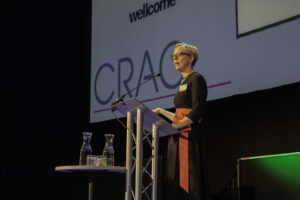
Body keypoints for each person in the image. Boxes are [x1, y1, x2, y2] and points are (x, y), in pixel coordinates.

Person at [153, 43, 209, 200]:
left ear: (190, 58)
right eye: (173, 56)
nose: (175, 59)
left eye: (179, 55)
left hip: (189, 139)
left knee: (190, 182)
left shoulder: (196, 79)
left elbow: (197, 111)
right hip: (178, 137)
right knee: (175, 181)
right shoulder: (183, 83)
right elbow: (180, 114)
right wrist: (160, 111)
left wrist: (175, 126)